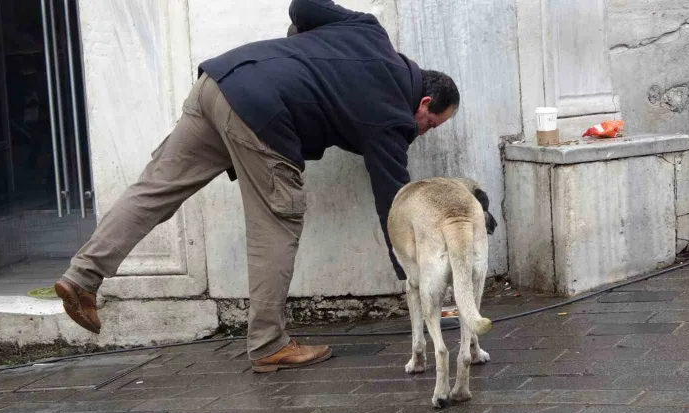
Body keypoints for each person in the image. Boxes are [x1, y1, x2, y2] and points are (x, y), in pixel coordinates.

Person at [54, 0, 460, 372]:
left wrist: (299, 56)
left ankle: (82, 276)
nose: (421, 132)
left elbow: (304, 4)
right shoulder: (392, 117)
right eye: (431, 124)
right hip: (263, 112)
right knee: (277, 223)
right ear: (424, 103)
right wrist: (419, 284)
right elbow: (396, 204)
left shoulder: (369, 30)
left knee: (154, 190)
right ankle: (269, 344)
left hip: (220, 81)